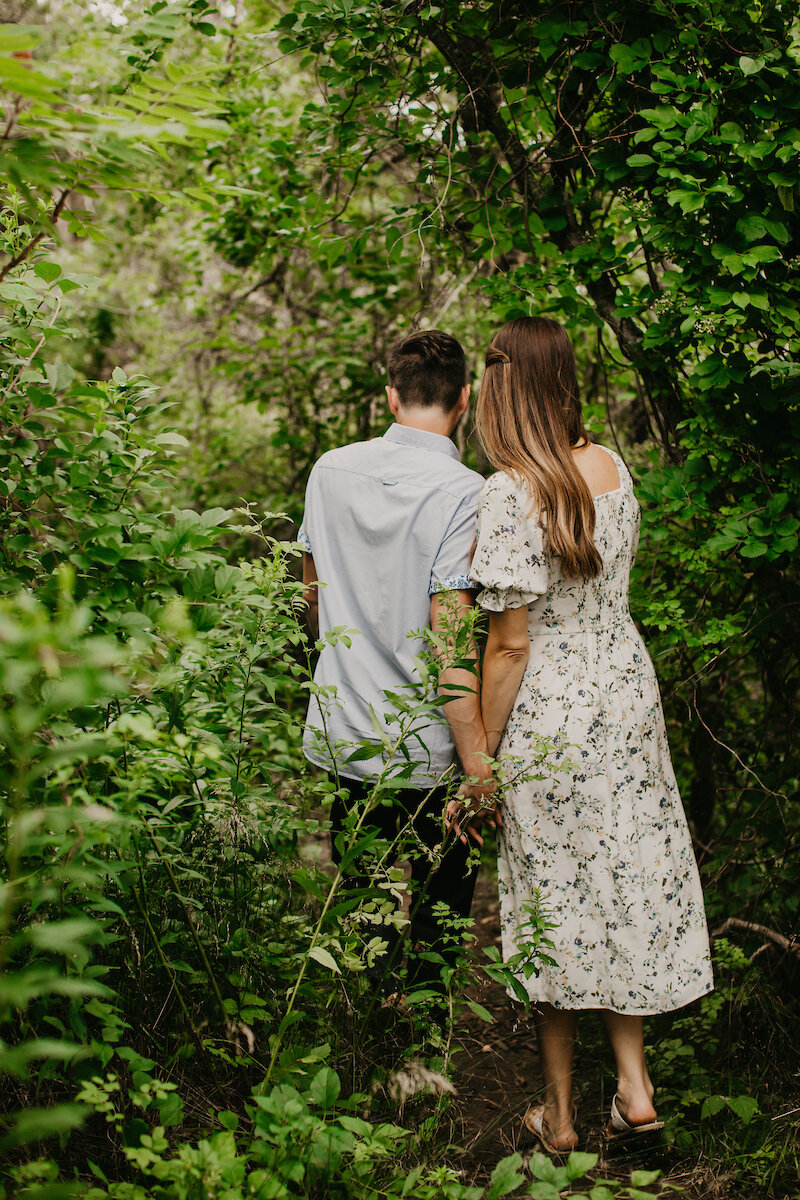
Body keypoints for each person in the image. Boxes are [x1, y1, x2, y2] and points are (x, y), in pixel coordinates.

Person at [469, 316, 713, 1150]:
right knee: (621, 881)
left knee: (553, 900)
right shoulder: (611, 465)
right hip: (626, 697)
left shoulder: (509, 491)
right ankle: (637, 1091)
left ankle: (563, 1118)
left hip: (550, 710)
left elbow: (508, 644)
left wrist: (485, 760)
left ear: (504, 387)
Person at [298, 329, 496, 993]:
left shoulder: (329, 470)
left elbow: (311, 593)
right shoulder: (470, 493)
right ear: (464, 399)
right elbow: (453, 633)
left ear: (390, 395)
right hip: (431, 746)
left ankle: (368, 1043)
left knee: (362, 902)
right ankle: (428, 1055)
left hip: (346, 730)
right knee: (441, 913)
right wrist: (479, 770)